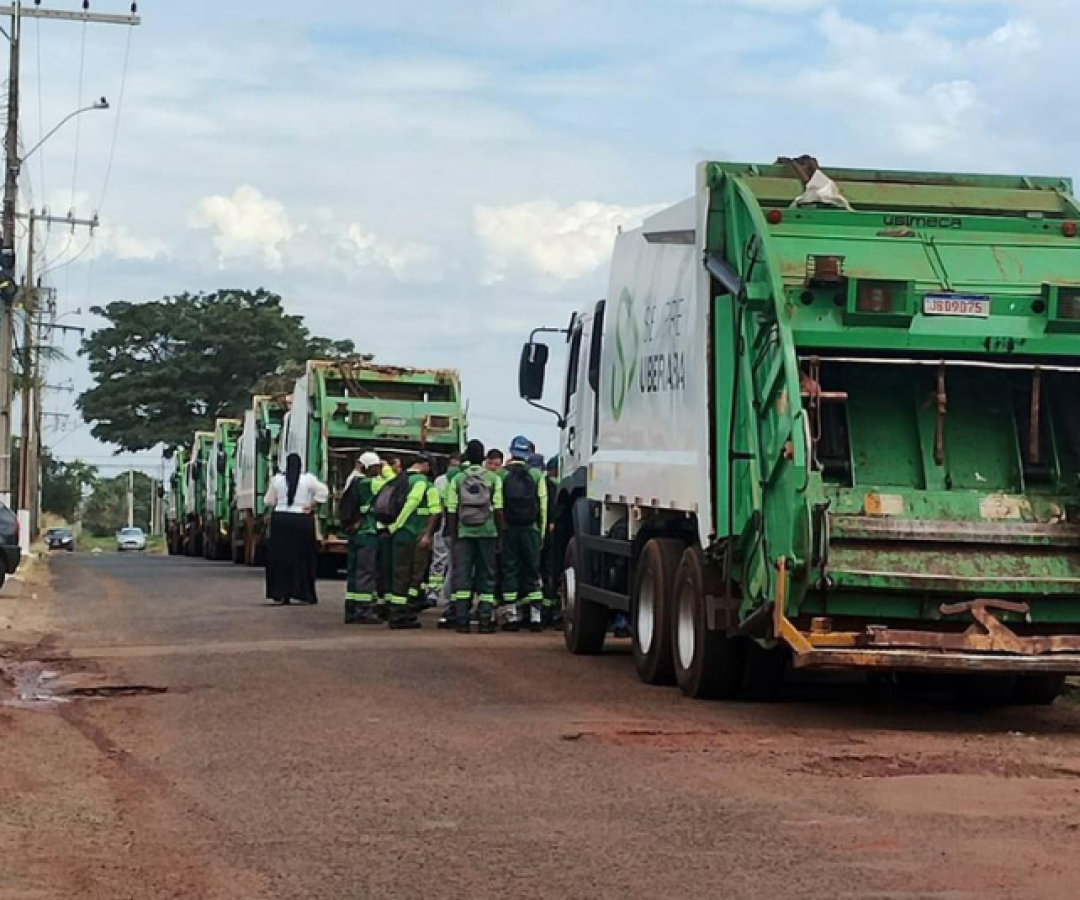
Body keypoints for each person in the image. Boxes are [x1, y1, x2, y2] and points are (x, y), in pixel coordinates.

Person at [445, 439, 503, 634]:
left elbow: (451, 509)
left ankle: (462, 621)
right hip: (487, 533)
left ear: (467, 457)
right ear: (484, 457)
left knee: (462, 576)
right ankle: (485, 621)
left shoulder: (458, 479)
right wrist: (499, 535)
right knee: (486, 575)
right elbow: (499, 509)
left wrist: (454, 536)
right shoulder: (493, 479)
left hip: (464, 533)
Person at [385, 455, 441, 629]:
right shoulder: (423, 483)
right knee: (415, 576)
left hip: (400, 535)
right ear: (423, 465)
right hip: (415, 534)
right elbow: (434, 510)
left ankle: (396, 611)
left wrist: (392, 528)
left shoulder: (399, 480)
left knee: (399, 574)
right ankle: (406, 612)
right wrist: (427, 535)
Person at [264, 453, 328, 606]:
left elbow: (268, 501)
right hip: (301, 520)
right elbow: (323, 492)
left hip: (281, 521)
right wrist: (311, 504)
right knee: (302, 558)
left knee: (280, 559)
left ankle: (281, 592)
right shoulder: (308, 479)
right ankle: (303, 592)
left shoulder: (277, 480)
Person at [500, 435, 548, 632]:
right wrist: (541, 533)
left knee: (510, 569)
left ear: (511, 452)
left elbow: (498, 505)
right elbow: (543, 507)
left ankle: (512, 616)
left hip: (509, 529)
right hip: (531, 529)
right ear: (528, 453)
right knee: (532, 569)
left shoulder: (501, 475)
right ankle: (536, 617)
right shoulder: (536, 476)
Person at [340, 451, 384, 625]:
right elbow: (392, 484)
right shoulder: (371, 484)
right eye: (376, 467)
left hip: (355, 534)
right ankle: (363, 611)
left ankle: (351, 609)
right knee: (366, 572)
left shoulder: (353, 483)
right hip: (368, 532)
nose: (379, 470)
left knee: (353, 572)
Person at [433, 452, 463, 628]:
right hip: (468, 531)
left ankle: (448, 604)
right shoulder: (466, 478)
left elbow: (443, 507)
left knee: (448, 567)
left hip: (447, 529)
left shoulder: (441, 481)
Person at [540, 456, 561, 628]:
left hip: (538, 533)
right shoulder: (556, 487)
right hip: (554, 536)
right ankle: (550, 610)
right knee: (550, 572)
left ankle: (539, 612)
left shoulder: (541, 484)